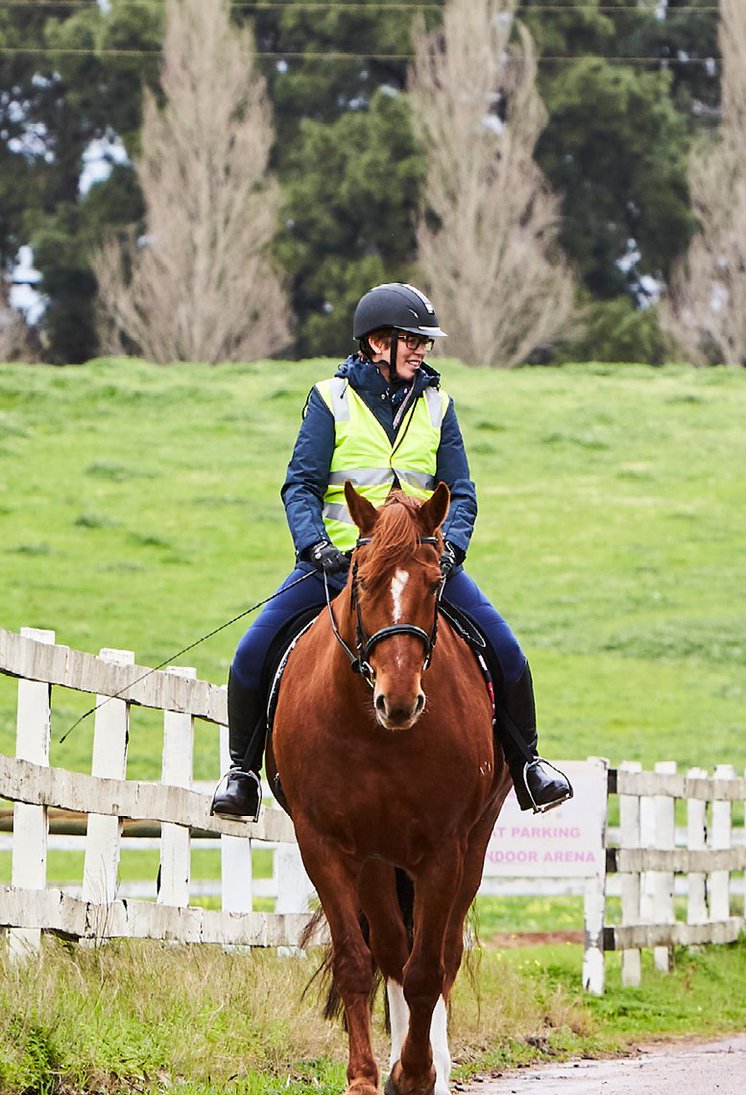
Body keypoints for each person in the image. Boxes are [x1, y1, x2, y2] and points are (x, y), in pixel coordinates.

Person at [210, 282, 573, 821]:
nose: (423, 350)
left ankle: (528, 766)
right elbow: (301, 487)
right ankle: (242, 774)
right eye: (413, 340)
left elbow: (462, 491)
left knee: (509, 653)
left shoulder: (438, 406)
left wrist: (452, 550)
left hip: (424, 568)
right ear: (378, 343)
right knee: (250, 655)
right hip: (339, 567)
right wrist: (316, 546)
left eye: (425, 341)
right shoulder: (328, 400)